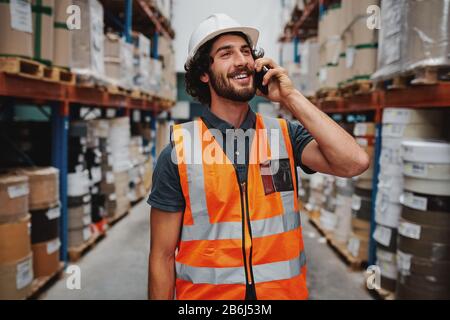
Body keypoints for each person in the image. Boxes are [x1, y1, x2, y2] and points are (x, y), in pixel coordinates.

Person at [148, 13, 369, 300]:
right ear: (204, 73)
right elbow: (162, 257)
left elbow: (354, 163)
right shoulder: (178, 153)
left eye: (246, 52)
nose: (241, 61)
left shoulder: (284, 136)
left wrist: (291, 98)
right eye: (226, 53)